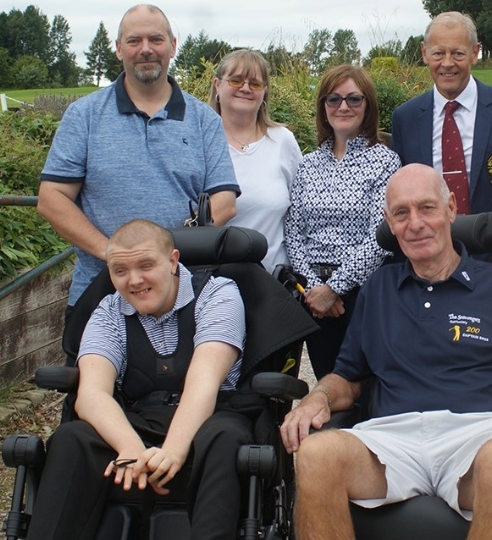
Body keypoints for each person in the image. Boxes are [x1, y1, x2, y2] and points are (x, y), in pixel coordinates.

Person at [280, 164, 492, 539]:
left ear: (451, 208)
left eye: (427, 208)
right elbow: (348, 378)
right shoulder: (379, 288)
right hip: (392, 440)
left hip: (479, 437)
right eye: (401, 213)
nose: (415, 223)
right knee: (316, 455)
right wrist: (317, 397)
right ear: (389, 223)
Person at [26, 219, 251, 539]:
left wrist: (172, 451)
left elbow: (204, 381)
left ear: (173, 261)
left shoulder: (218, 295)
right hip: (139, 416)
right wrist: (130, 448)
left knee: (225, 437)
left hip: (211, 415)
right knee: (72, 438)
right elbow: (92, 393)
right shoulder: (108, 311)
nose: (134, 280)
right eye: (120, 271)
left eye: (146, 265)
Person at [37, 4, 240, 309]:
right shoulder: (84, 115)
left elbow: (224, 202)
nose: (146, 49)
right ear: (119, 49)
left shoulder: (204, 119)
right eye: (134, 41)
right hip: (100, 294)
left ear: (172, 46)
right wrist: (115, 255)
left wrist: (164, 255)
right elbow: (51, 199)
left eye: (156, 40)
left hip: (181, 293)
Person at [284, 64, 401, 379]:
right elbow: (294, 231)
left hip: (362, 291)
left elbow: (382, 233)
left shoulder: (384, 161)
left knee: (363, 384)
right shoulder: (308, 165)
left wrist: (335, 288)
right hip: (313, 294)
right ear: (323, 107)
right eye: (333, 99)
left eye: (353, 99)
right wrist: (314, 288)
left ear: (368, 105)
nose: (343, 107)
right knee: (327, 383)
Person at [391, 11, 492, 217]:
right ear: (424, 53)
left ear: (475, 53)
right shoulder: (405, 118)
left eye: (458, 53)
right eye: (438, 53)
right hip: (430, 244)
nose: (447, 63)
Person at [209, 49, 303, 273]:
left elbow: (301, 215)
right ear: (216, 85)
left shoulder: (283, 142)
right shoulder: (201, 142)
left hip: (273, 285)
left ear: (264, 93)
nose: (245, 88)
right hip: (214, 285)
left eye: (255, 83)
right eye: (236, 80)